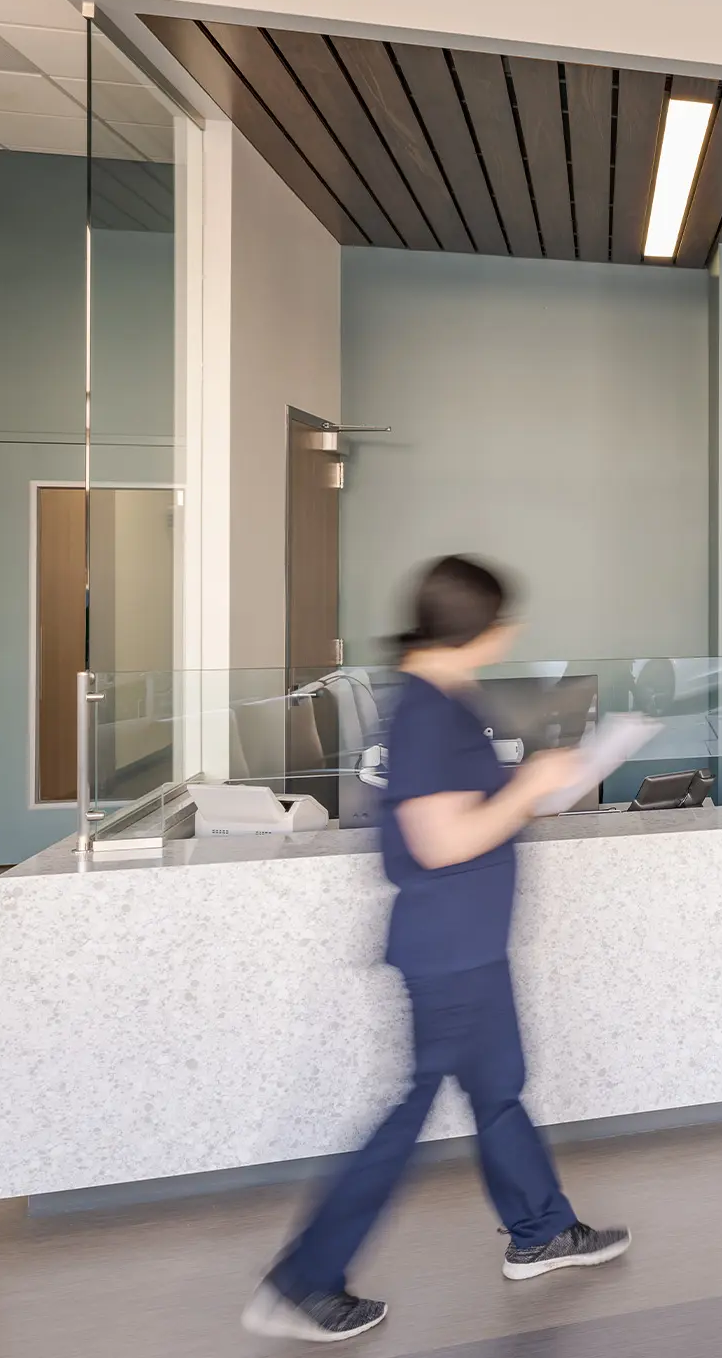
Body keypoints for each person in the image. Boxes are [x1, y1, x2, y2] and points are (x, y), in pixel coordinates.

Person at [244, 556, 629, 1343]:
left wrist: (530, 795)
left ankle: (542, 1229)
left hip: (467, 942)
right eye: (503, 624)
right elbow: (441, 839)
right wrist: (527, 791)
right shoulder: (428, 713)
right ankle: (303, 1280)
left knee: (497, 1087)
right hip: (449, 948)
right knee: (412, 1109)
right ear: (483, 630)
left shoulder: (446, 700)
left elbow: (463, 816)